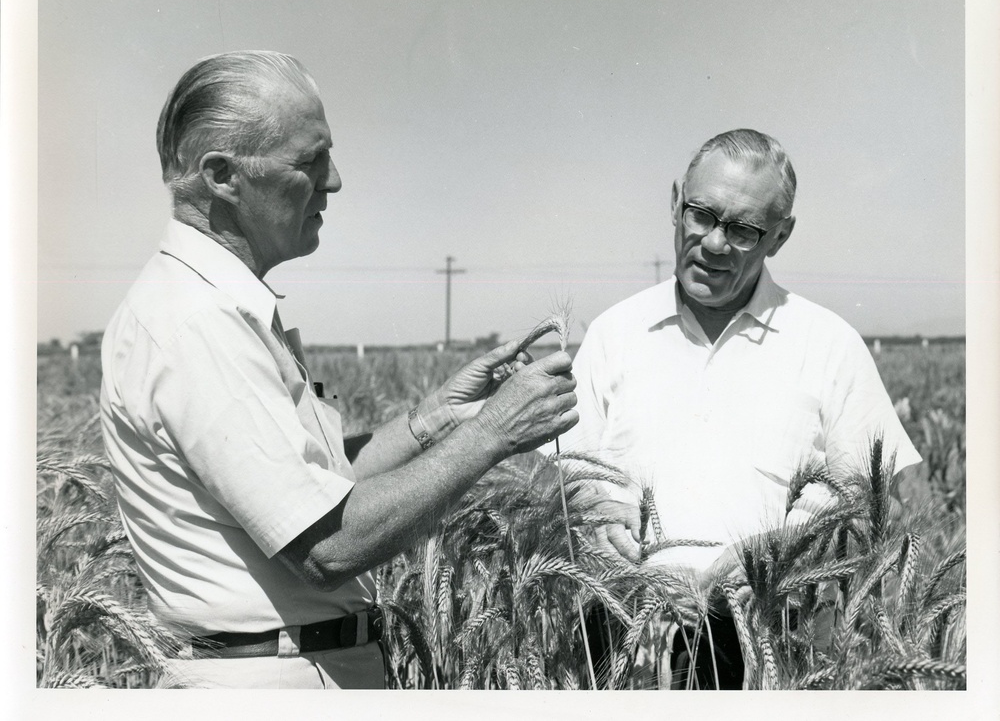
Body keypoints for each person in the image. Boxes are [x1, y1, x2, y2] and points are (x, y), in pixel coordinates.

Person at [99, 51, 579, 689]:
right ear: (222, 176)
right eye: (310, 161)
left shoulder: (206, 307)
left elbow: (307, 488)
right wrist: (492, 432)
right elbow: (327, 545)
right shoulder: (195, 323)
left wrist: (434, 421)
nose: (335, 182)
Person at [560, 128, 922, 688]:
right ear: (676, 201)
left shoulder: (830, 344)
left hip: (775, 656)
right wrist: (594, 516)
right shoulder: (613, 334)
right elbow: (566, 474)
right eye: (700, 214)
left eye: (743, 229)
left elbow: (868, 496)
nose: (713, 243)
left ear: (780, 236)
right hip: (623, 650)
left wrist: (789, 549)